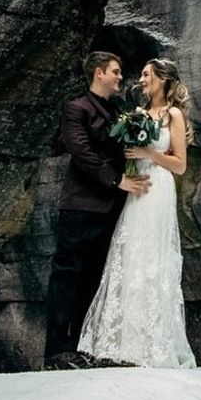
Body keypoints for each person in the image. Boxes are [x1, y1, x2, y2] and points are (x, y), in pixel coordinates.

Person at [78, 57, 197, 368]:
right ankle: (123, 343)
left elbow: (181, 165)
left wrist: (149, 153)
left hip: (158, 187)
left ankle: (153, 343)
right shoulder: (139, 114)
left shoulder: (173, 115)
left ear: (162, 78)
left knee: (153, 259)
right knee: (130, 255)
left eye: (146, 74)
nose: (141, 79)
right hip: (137, 187)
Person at [43, 51, 149, 370]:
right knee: (67, 276)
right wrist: (118, 180)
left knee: (92, 279)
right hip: (79, 205)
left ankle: (79, 346)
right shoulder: (76, 108)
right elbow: (82, 153)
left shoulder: (118, 110)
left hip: (109, 209)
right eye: (115, 72)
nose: (120, 77)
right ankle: (56, 351)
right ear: (99, 73)